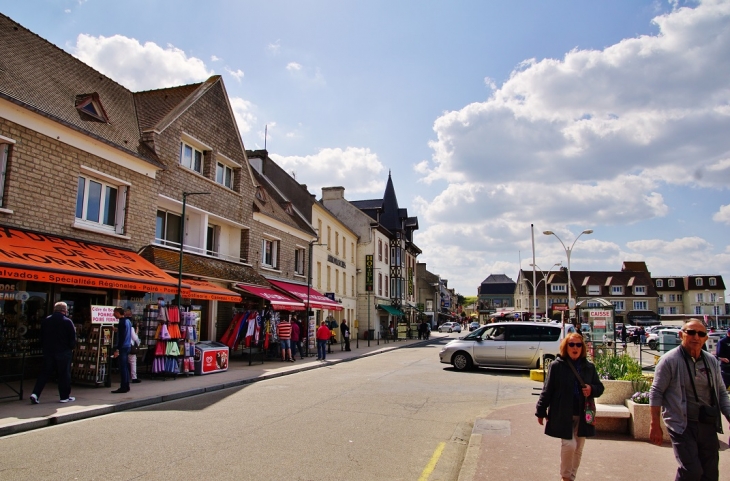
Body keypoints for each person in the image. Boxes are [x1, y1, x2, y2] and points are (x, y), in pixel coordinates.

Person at [649, 319, 730, 481]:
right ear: (681, 335)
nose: (696, 337)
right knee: (691, 471)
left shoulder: (711, 361)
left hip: (707, 423)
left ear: (706, 338)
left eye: (701, 334)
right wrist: (654, 424)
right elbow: (656, 392)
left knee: (710, 474)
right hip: (682, 425)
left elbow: (721, 393)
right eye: (691, 332)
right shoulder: (669, 360)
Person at [536, 332, 604, 481]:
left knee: (578, 449)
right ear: (565, 347)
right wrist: (540, 411)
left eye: (578, 345)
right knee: (569, 445)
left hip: (583, 413)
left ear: (582, 348)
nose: (575, 347)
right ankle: (565, 477)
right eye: (571, 344)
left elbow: (600, 388)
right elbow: (547, 390)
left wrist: (591, 389)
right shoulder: (556, 366)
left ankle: (571, 477)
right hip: (562, 413)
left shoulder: (589, 367)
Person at [30, 301, 77, 404]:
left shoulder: (46, 320)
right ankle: (64, 397)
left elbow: (41, 337)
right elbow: (72, 338)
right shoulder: (67, 321)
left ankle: (35, 393)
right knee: (64, 374)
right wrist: (71, 347)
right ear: (64, 311)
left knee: (44, 373)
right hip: (63, 351)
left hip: (49, 351)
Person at [111, 307, 132, 394]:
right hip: (127, 346)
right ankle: (126, 385)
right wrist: (116, 330)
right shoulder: (128, 321)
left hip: (123, 347)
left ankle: (123, 387)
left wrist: (117, 349)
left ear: (118, 313)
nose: (113, 314)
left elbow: (122, 337)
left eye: (114, 313)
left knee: (122, 367)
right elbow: (125, 332)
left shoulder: (121, 322)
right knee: (125, 367)